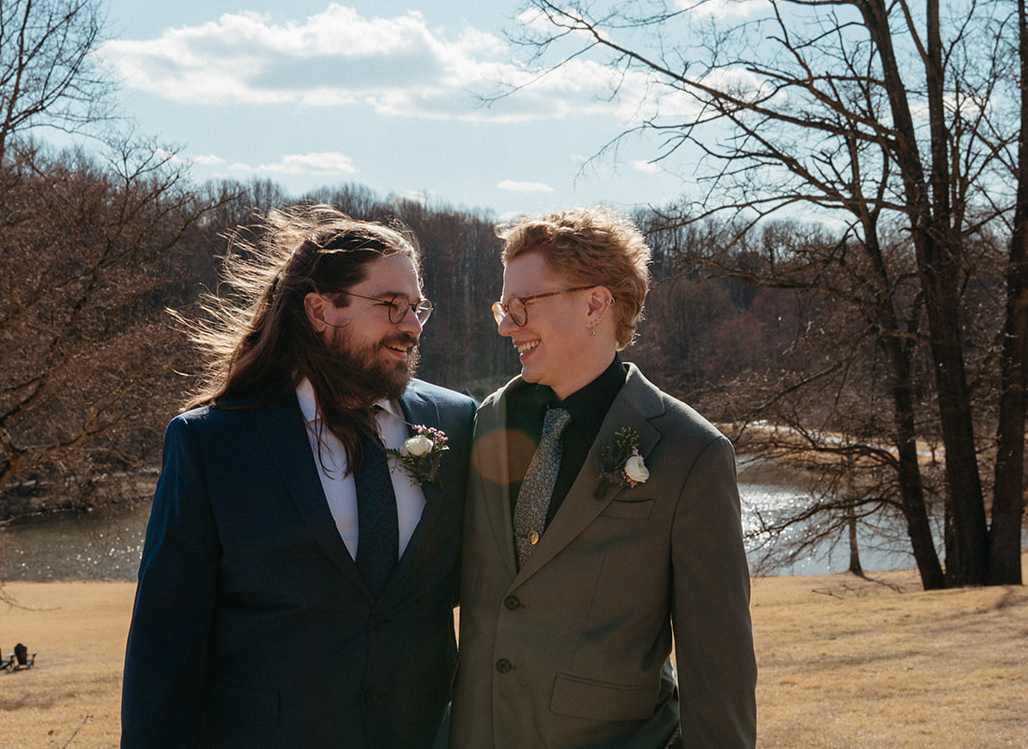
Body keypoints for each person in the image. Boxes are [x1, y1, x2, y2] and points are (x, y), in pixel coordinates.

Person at [122, 207, 476, 748]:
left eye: (416, 308)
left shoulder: (456, 421)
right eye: (389, 305)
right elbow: (165, 640)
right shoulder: (213, 441)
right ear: (319, 309)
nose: (410, 325)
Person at [451, 208, 756, 748]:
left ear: (595, 304)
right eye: (504, 306)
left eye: (523, 305)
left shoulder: (691, 451)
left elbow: (719, 660)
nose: (505, 324)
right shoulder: (484, 422)